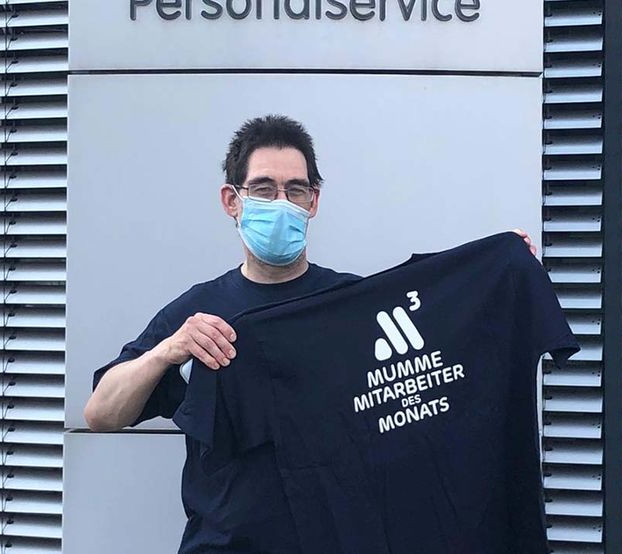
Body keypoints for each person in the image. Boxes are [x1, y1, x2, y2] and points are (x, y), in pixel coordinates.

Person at [83, 114, 538, 552]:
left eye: (295, 189)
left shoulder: (352, 307)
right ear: (232, 200)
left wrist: (498, 273)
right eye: (264, 189)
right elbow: (101, 413)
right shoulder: (196, 315)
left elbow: (440, 361)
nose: (281, 202)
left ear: (313, 201)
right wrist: (168, 350)